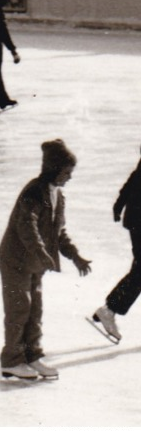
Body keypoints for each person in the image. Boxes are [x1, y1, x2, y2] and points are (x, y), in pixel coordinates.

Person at [0, 138, 92, 381]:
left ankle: (32, 355)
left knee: (35, 311)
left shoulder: (58, 196)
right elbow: (26, 226)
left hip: (35, 263)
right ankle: (12, 361)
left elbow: (58, 233)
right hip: (15, 260)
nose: (69, 177)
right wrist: (42, 253)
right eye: (66, 172)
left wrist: (76, 257)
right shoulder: (34, 192)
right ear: (54, 168)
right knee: (19, 309)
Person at [90, 144, 141, 344]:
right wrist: (118, 206)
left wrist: (118, 205)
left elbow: (131, 182)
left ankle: (109, 309)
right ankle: (109, 309)